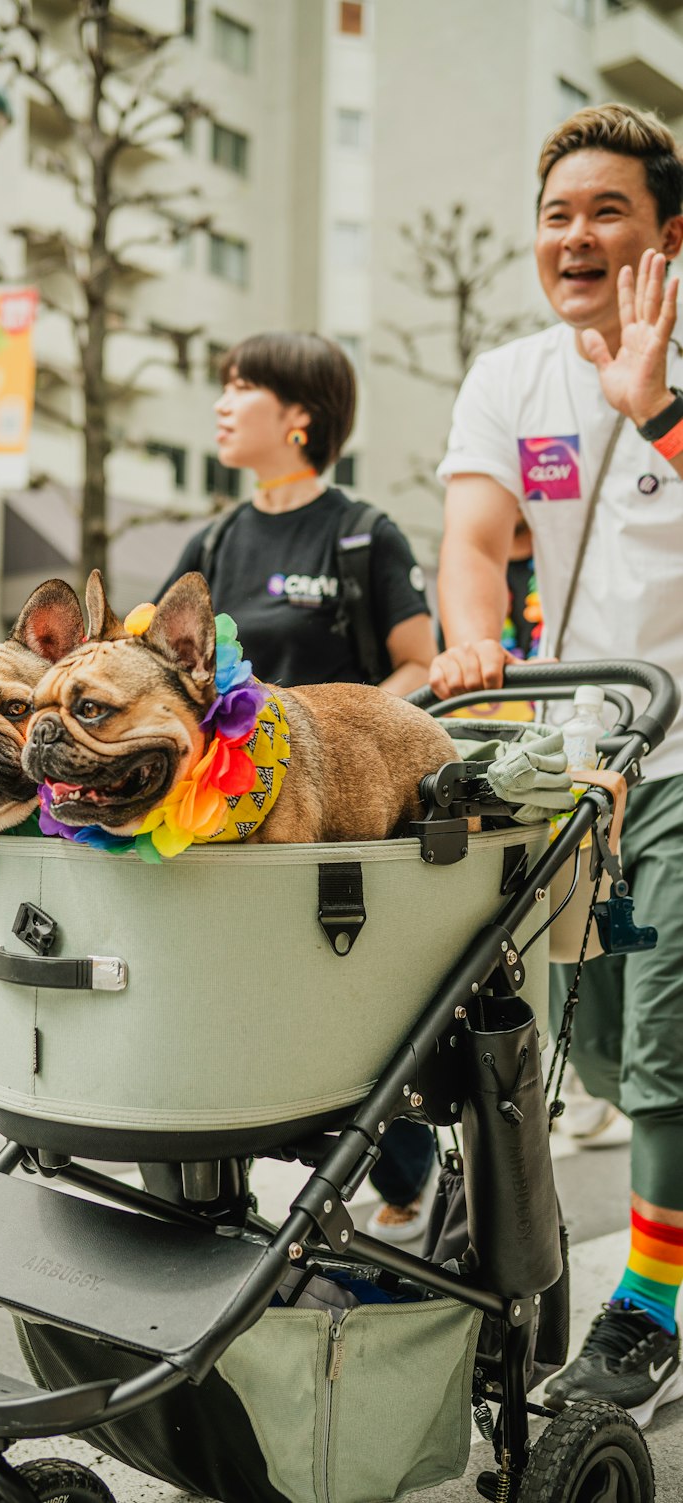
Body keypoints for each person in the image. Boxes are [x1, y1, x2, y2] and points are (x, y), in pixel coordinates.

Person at [432, 103, 683, 1425]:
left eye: (609, 212)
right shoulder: (509, 376)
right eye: (558, 215)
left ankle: (650, 1308)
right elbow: (477, 537)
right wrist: (476, 639)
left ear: (670, 233)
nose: (577, 236)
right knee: (584, 1040)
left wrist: (657, 407)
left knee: (663, 1045)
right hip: (578, 760)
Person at [160, 331, 440, 1241]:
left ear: (302, 416)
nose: (224, 402)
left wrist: (318, 724)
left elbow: (417, 667)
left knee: (344, 1004)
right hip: (222, 826)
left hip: (343, 826)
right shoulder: (215, 539)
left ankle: (402, 1162)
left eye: (246, 387)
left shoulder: (362, 533)